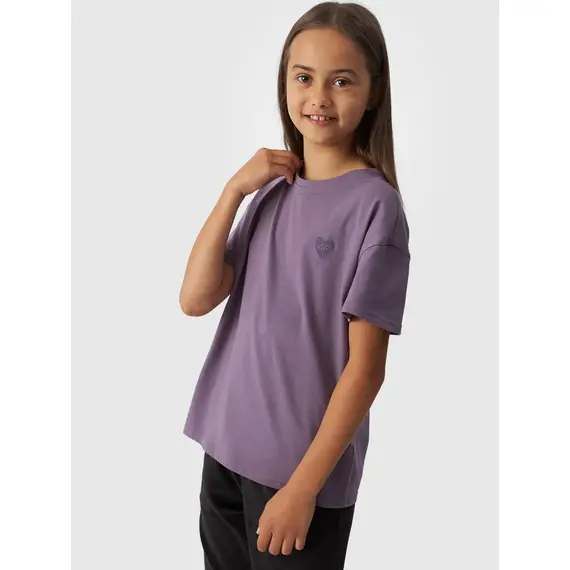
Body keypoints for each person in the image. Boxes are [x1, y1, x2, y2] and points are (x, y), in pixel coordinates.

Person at [178, 2, 411, 568]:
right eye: (303, 78)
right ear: (284, 83)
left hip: (298, 478)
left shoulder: (375, 207)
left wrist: (303, 489)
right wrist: (233, 191)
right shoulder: (271, 189)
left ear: (374, 92)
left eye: (341, 81)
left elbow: (366, 370)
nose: (319, 97)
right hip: (226, 452)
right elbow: (195, 299)